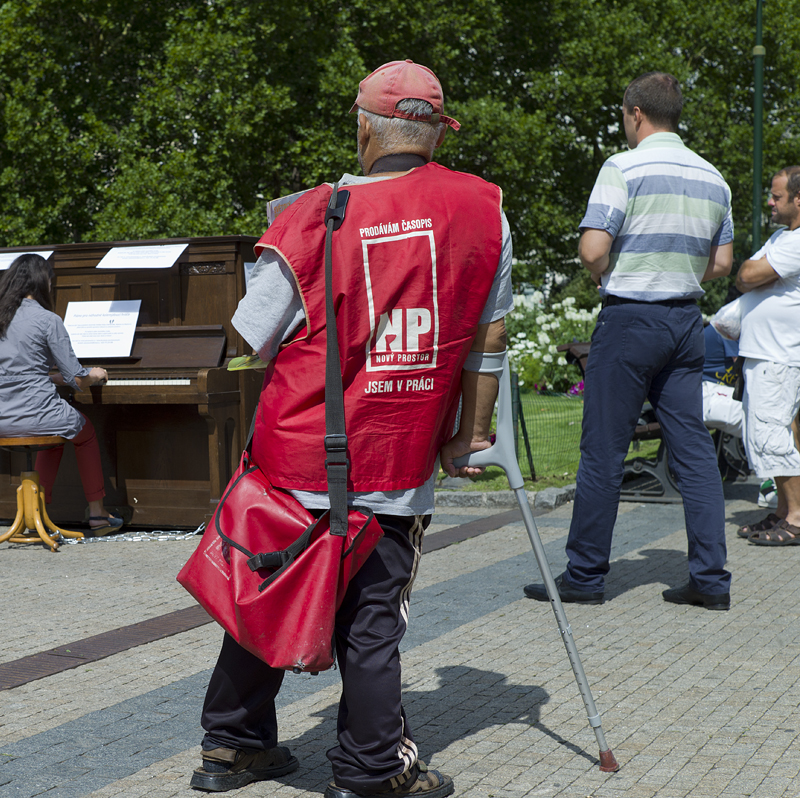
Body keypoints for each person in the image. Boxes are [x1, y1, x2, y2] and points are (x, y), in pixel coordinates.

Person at [192, 60, 511, 798]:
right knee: (372, 621)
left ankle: (233, 747)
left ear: (364, 128)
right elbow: (490, 339)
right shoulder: (485, 208)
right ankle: (370, 770)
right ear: (435, 133)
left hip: (296, 454)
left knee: (269, 592)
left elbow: (250, 337)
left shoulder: (314, 211)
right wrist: (470, 434)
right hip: (396, 457)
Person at [524, 72, 733, 611]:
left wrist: (626, 266)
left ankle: (584, 576)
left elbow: (593, 250)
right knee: (694, 452)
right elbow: (721, 264)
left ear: (636, 113)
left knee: (603, 450)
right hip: (686, 323)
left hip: (630, 321)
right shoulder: (714, 178)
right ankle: (711, 581)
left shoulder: (623, 167)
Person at [0, 254, 122, 533]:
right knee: (85, 432)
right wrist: (97, 373)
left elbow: (20, 368)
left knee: (56, 434)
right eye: (49, 280)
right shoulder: (48, 319)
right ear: (42, 282)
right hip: (37, 414)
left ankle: (37, 511)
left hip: (0, 417)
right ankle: (97, 513)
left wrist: (50, 377)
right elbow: (78, 379)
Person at [732, 165, 800, 545]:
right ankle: (782, 512)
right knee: (769, 435)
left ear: (799, 199)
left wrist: (758, 274)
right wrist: (757, 274)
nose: (770, 202)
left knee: (773, 436)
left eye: (777, 196)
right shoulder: (781, 237)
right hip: (765, 353)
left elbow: (747, 277)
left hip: (779, 355)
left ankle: (797, 517)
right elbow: (745, 271)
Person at [701, 322, 740, 437]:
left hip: (718, 390)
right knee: (754, 414)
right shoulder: (731, 324)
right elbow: (744, 370)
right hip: (702, 390)